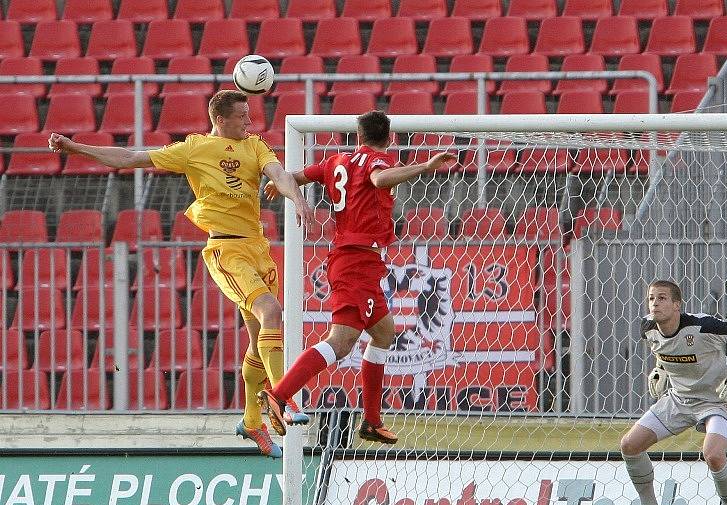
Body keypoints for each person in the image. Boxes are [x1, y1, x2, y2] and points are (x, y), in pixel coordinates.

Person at [48, 89, 314, 458]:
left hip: (259, 249)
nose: (250, 123)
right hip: (226, 250)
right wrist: (77, 148)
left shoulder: (254, 146)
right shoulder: (193, 150)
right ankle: (284, 396)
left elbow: (278, 174)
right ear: (220, 120)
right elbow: (130, 158)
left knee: (258, 340)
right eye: (242, 117)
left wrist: (296, 197)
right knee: (271, 312)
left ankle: (252, 422)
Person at [261, 110, 456, 444]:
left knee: (383, 332)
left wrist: (278, 185)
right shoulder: (376, 161)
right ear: (389, 137)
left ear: (358, 135)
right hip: (356, 261)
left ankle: (371, 421)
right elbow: (380, 179)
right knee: (342, 341)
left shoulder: (336, 161)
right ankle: (278, 395)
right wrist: (424, 167)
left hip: (358, 260)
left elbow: (295, 175)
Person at [619, 280, 727, 505]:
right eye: (652, 298)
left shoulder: (703, 327)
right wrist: (661, 369)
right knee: (630, 445)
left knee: (713, 455)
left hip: (716, 401)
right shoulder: (647, 327)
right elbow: (664, 350)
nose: (655, 303)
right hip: (678, 401)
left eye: (663, 298)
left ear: (677, 305)